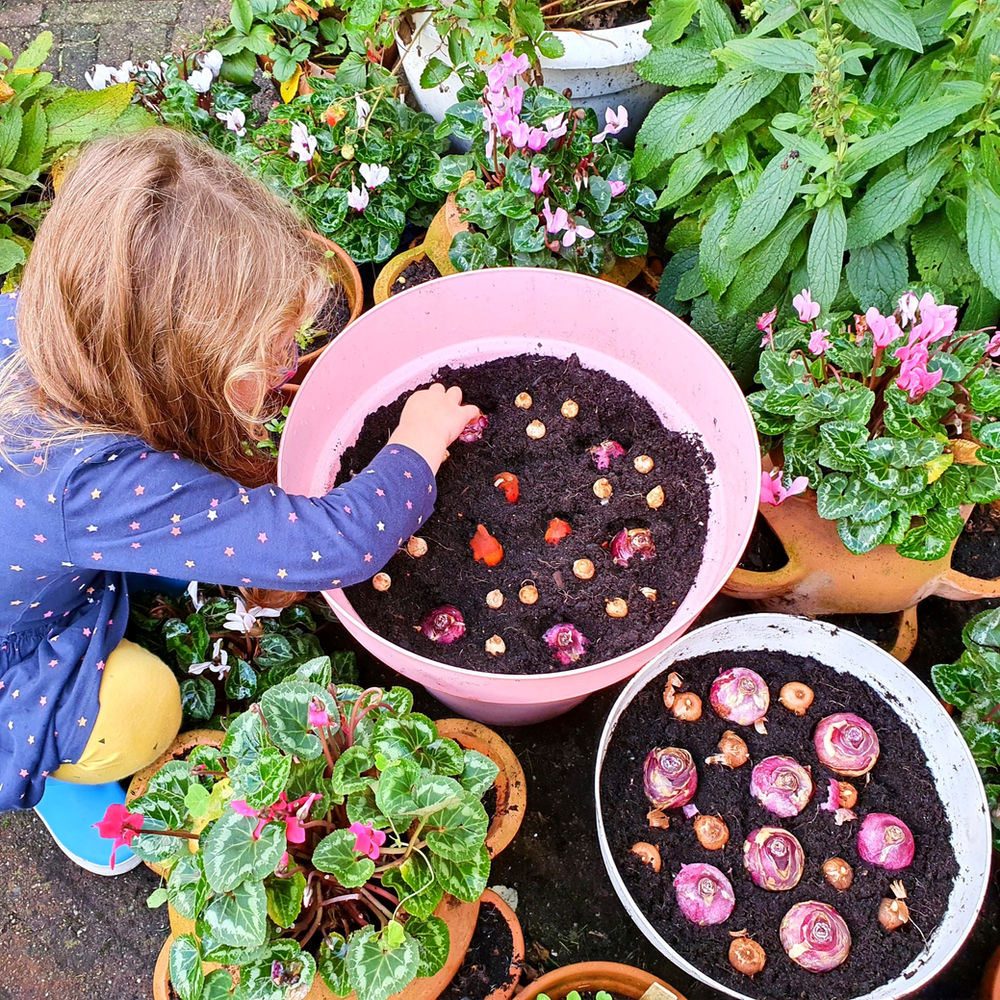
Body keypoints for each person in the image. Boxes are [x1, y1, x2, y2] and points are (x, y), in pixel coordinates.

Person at [0, 127, 479, 875]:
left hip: (28, 561)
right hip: (13, 659)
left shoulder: (41, 317)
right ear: (177, 367)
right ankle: (55, 766)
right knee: (145, 705)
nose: (287, 366)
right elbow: (337, 544)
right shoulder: (96, 485)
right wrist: (415, 448)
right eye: (271, 353)